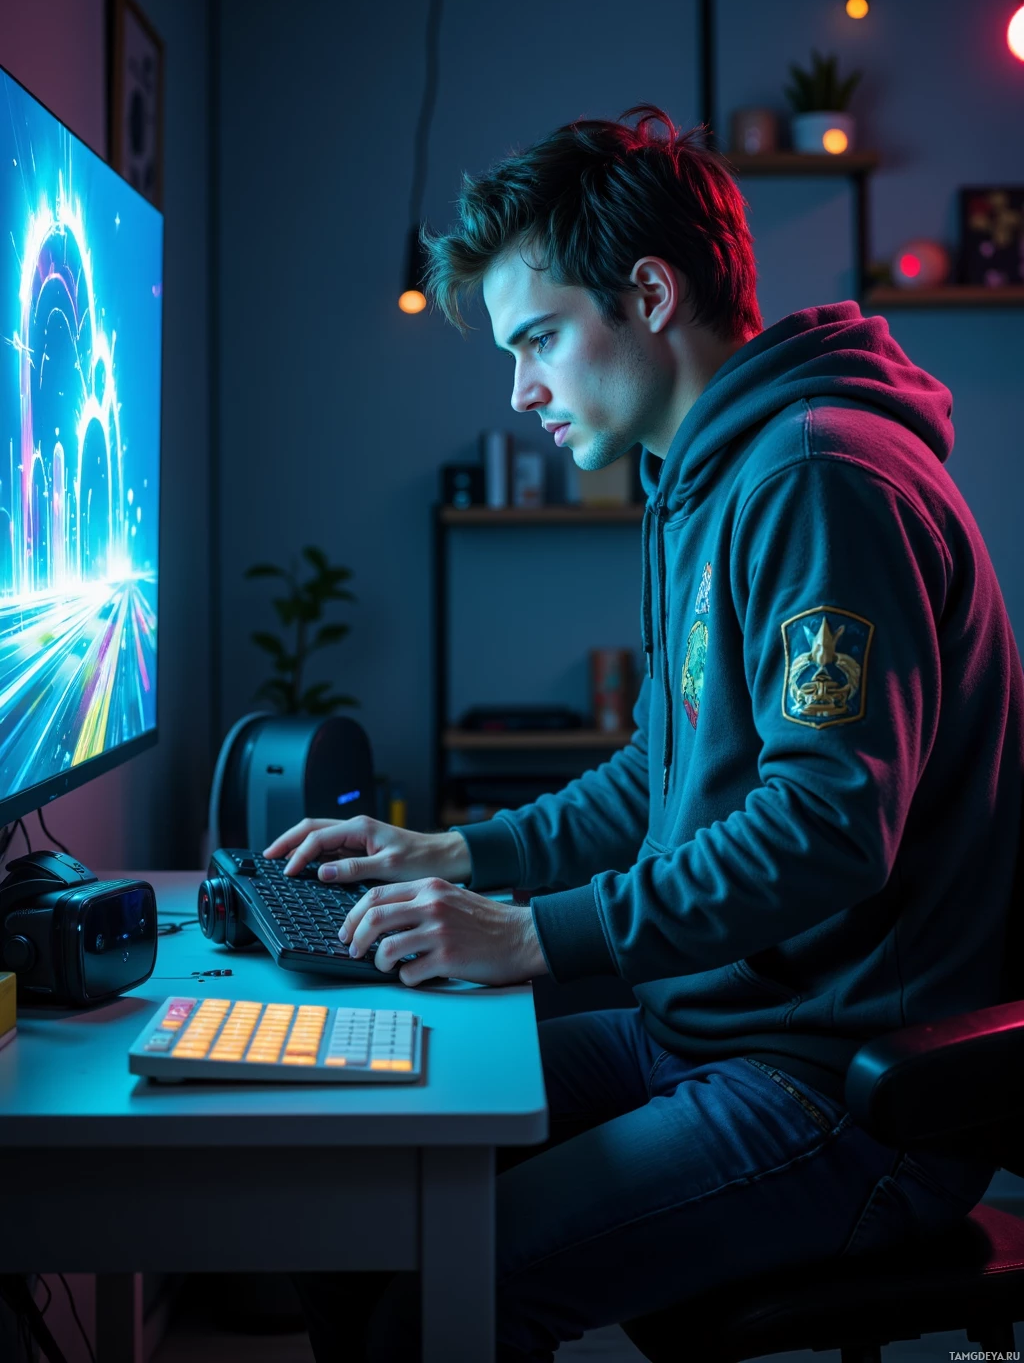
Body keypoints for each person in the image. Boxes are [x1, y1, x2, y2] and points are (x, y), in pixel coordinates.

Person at [270, 105, 1022, 1361]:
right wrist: (459, 857)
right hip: (709, 1035)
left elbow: (827, 827)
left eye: (540, 340)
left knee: (443, 1294)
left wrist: (533, 936)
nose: (521, 390)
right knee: (360, 1207)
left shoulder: (815, 477)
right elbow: (660, 779)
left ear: (652, 295)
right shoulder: (703, 483)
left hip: (841, 1089)